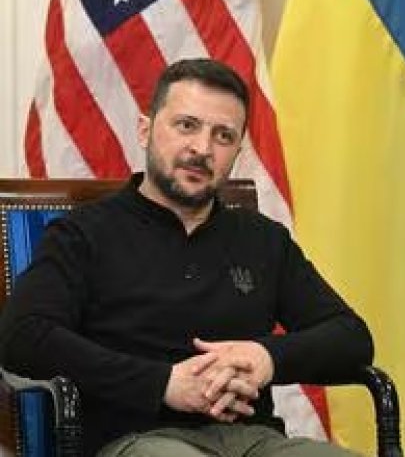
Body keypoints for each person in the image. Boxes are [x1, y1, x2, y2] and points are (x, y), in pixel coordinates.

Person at [0, 59, 373, 456]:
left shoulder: (264, 240)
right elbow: (23, 335)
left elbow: (351, 337)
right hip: (137, 440)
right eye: (187, 126)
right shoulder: (83, 234)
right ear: (145, 130)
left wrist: (266, 357)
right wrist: (162, 384)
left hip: (256, 441)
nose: (202, 149)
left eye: (223, 136)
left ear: (238, 153)